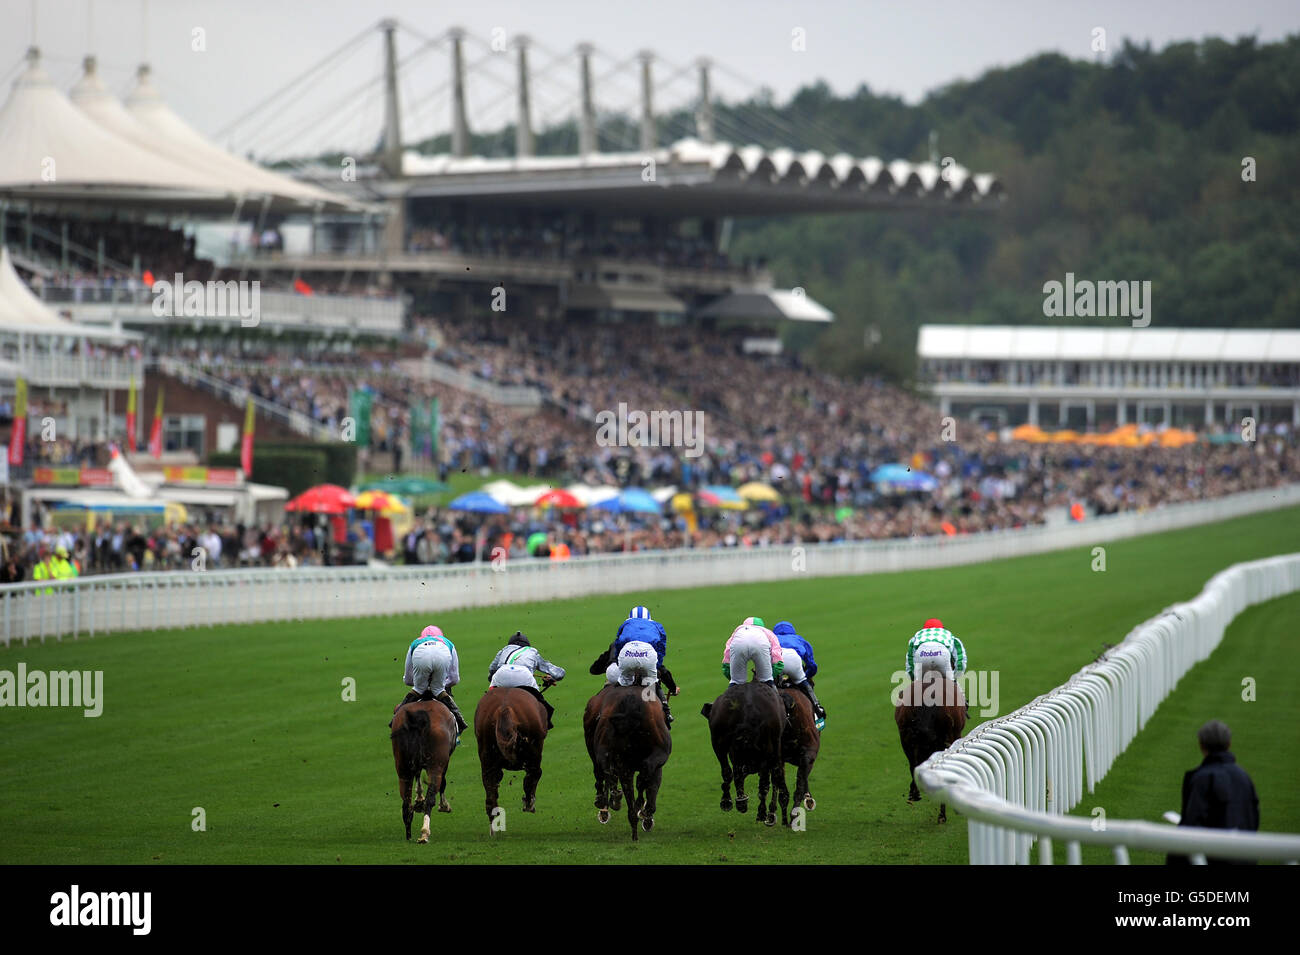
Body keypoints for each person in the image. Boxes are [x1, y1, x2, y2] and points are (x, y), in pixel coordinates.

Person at [1167, 720, 1260, 865]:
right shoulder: (1244, 777)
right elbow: (1253, 820)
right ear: (1229, 744)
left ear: (1201, 745)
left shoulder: (1202, 778)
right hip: (1243, 857)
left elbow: (1192, 824)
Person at [589, 605, 678, 725]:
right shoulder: (655, 630)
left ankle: (602, 712)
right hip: (647, 661)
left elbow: (594, 669)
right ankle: (666, 713)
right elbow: (662, 649)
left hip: (620, 665)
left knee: (618, 682)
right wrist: (670, 684)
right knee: (651, 684)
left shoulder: (623, 632)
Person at [393, 625, 467, 737]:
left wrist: (423, 684)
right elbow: (454, 679)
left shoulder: (416, 643)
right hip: (442, 653)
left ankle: (395, 717)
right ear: (441, 636)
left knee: (418, 688)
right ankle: (460, 721)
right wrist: (438, 684)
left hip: (420, 653)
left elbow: (408, 679)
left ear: (422, 636)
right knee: (438, 689)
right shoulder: (448, 643)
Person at [487, 631, 564, 729]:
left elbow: (492, 670)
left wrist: (492, 679)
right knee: (540, 704)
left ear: (510, 644)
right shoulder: (532, 652)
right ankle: (541, 730)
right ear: (527, 644)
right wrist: (552, 678)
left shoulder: (504, 650)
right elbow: (559, 673)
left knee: (489, 701)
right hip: (524, 676)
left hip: (501, 674)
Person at [771, 620, 826, 724]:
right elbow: (812, 666)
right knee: (804, 683)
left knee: (766, 685)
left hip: (775, 661)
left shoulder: (771, 639)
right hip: (793, 660)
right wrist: (803, 677)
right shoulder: (799, 639)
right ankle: (817, 708)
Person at [723, 619, 784, 686]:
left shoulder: (738, 631)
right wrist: (770, 675)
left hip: (739, 644)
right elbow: (777, 655)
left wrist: (732, 676)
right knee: (766, 680)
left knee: (736, 682)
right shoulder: (767, 632)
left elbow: (727, 652)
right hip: (760, 644)